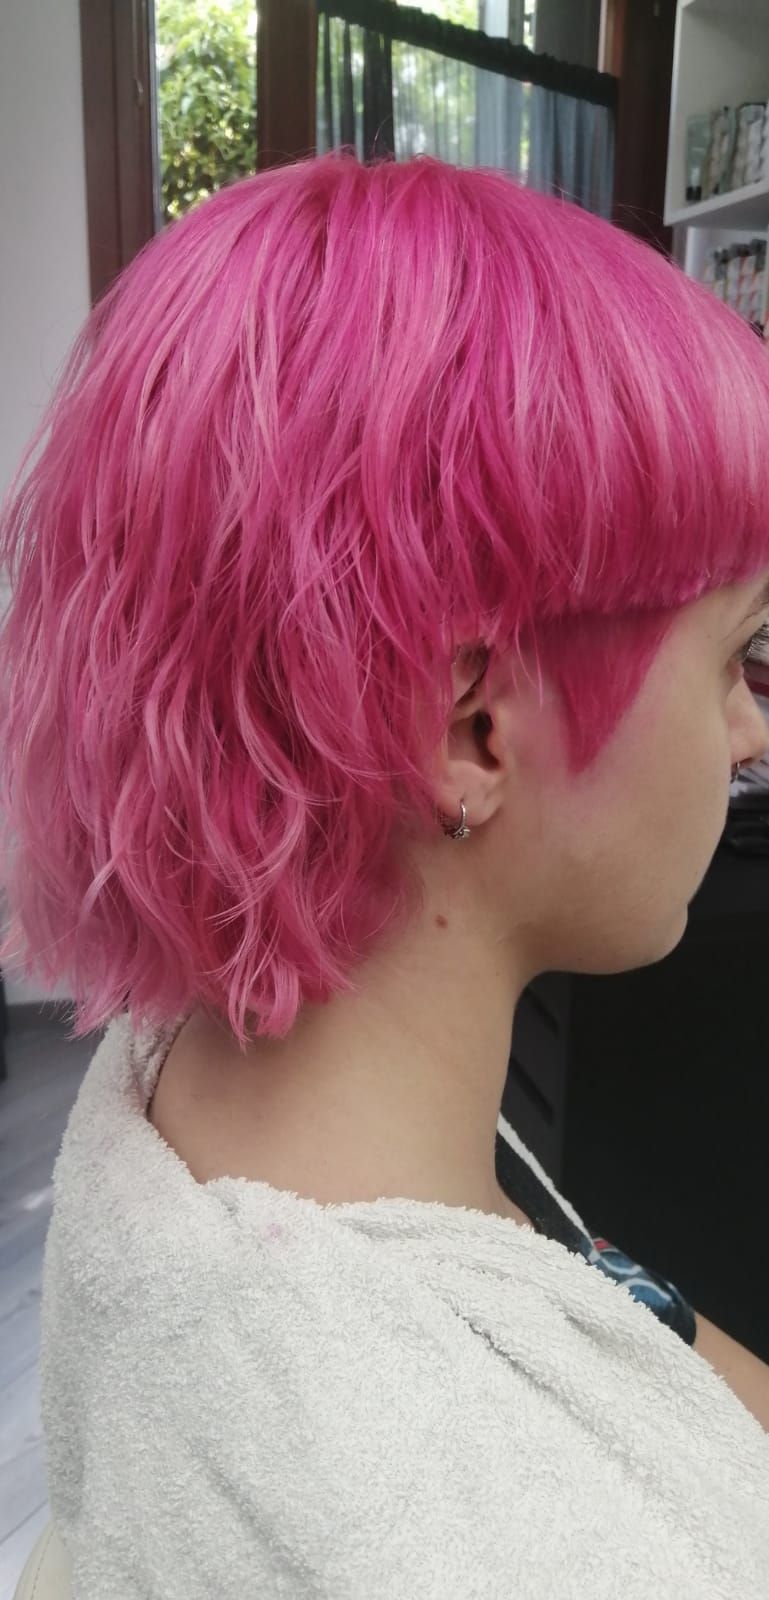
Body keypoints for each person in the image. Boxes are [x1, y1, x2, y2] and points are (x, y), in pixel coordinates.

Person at [1, 151, 768, 1597]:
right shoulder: (496, 1544)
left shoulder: (206, 1094)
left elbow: (620, 1312)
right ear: (472, 729)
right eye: (739, 657)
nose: (748, 734)